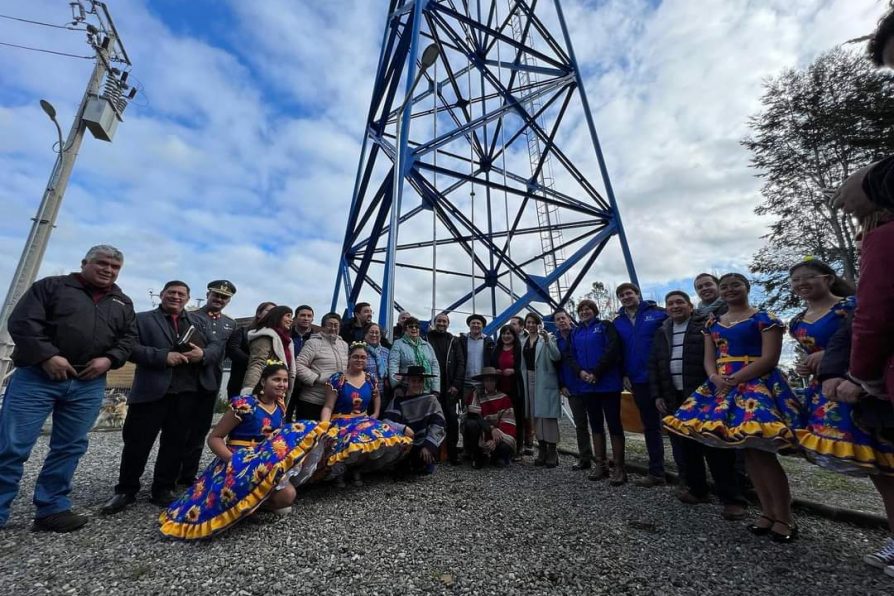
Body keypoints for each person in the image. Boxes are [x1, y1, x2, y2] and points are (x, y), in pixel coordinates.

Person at [0, 245, 137, 532]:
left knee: (70, 447)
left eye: (114, 267)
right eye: (102, 264)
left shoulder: (122, 303)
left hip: (87, 382)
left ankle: (51, 508)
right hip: (37, 378)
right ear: (85, 262)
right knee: (12, 446)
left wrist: (109, 359)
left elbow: (128, 339)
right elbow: (23, 323)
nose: (108, 270)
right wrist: (47, 355)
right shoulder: (51, 287)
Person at [663, 273, 802, 542]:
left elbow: (770, 358)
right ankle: (767, 513)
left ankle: (784, 517)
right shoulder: (713, 323)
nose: (729, 290)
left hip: (756, 387)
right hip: (723, 386)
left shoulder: (764, 318)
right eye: (725, 287)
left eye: (734, 285)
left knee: (764, 454)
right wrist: (715, 378)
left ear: (747, 287)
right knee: (749, 454)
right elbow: (709, 359)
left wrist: (736, 378)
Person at [158, 362, 335, 540]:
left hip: (263, 463)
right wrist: (235, 461)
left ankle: (252, 504)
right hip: (238, 462)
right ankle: (242, 506)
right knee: (282, 497)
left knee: (288, 496)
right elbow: (214, 438)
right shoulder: (245, 405)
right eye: (276, 380)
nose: (282, 384)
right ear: (263, 381)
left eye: (285, 380)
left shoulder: (280, 406)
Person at [102, 280, 226, 514]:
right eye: (172, 293)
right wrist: (162, 357)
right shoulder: (142, 319)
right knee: (137, 443)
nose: (176, 297)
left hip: (186, 392)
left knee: (176, 444)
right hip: (151, 392)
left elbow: (217, 346)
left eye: (181, 294)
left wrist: (203, 354)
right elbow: (129, 348)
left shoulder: (198, 321)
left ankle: (163, 488)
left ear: (188, 299)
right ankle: (126, 490)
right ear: (162, 294)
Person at [829, 156, 894, 574]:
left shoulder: (884, 238)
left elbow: (874, 316)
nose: (854, 226)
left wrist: (862, 374)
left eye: (854, 214)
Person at [649, 290, 746, 519]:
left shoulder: (705, 327)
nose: (675, 306)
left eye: (679, 302)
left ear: (690, 306)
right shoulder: (663, 331)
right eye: (670, 303)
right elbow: (654, 364)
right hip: (674, 395)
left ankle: (732, 499)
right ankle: (698, 490)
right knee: (686, 447)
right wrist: (658, 395)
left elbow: (720, 357)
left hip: (705, 395)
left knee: (716, 448)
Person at [319, 343, 412, 487]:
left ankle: (357, 469)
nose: (359, 360)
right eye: (356, 357)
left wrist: (375, 413)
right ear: (349, 358)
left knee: (380, 435)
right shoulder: (338, 379)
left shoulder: (370, 378)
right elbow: (328, 406)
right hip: (342, 420)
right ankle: (340, 472)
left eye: (363, 357)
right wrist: (324, 426)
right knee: (350, 440)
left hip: (364, 419)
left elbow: (376, 397)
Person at [178, 280, 237, 488]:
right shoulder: (191, 316)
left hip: (211, 382)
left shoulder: (230, 324)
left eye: (224, 297)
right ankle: (169, 475)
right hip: (187, 380)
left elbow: (228, 351)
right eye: (216, 295)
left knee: (199, 432)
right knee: (179, 430)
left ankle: (188, 476)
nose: (219, 300)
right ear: (208, 294)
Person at [613, 282, 668, 487]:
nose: (626, 297)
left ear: (638, 294)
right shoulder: (618, 322)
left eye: (629, 293)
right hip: (637, 379)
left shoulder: (659, 314)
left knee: (678, 425)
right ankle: (657, 472)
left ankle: (692, 477)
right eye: (622, 295)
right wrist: (623, 374)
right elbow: (617, 352)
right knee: (650, 426)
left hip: (664, 376)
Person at [567, 300, 625, 485]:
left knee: (614, 424)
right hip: (586, 385)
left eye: (588, 309)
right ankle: (600, 465)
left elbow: (612, 349)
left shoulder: (605, 326)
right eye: (581, 309)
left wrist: (596, 372)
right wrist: (581, 373)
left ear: (594, 311)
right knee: (596, 425)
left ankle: (619, 468)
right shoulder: (575, 332)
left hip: (607, 383)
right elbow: (571, 356)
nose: (584, 312)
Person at [383, 366, 446, 475]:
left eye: (420, 381)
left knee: (422, 461)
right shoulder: (398, 400)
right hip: (405, 442)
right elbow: (386, 421)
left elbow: (438, 424)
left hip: (424, 441)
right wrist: (403, 429)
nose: (417, 384)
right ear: (408, 381)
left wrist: (428, 445)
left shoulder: (431, 400)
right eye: (414, 381)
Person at [520, 314, 562, 468]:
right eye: (528, 322)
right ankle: (542, 448)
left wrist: (547, 341)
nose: (530, 325)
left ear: (539, 324)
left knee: (548, 417)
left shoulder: (548, 338)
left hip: (544, 381)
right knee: (535, 416)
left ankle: (552, 450)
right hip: (529, 380)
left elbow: (556, 357)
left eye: (533, 322)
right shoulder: (523, 341)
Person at [291, 313, 349, 421]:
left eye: (336, 325)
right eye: (330, 325)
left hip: (335, 400)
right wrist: (317, 378)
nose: (333, 328)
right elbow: (298, 365)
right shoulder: (313, 343)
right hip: (313, 399)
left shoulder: (344, 345)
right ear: (323, 327)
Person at [427, 312, 466, 464]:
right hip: (433, 388)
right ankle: (433, 452)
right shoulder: (426, 338)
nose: (442, 324)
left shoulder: (453, 340)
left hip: (450, 388)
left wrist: (456, 384)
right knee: (433, 420)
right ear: (434, 322)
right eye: (439, 321)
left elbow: (461, 363)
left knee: (451, 420)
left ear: (448, 324)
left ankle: (452, 453)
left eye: (445, 321)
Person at [462, 367, 516, 468]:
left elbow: (508, 423)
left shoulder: (504, 398)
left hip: (498, 436)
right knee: (471, 424)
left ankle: (496, 457)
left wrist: (494, 440)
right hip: (481, 435)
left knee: (507, 445)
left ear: (496, 382)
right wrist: (491, 430)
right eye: (486, 380)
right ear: (483, 382)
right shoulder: (476, 395)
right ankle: (477, 455)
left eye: (492, 380)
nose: (489, 383)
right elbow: (474, 416)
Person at [240, 306, 297, 397]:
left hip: (279, 389)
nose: (291, 320)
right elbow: (257, 364)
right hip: (263, 389)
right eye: (288, 316)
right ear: (277, 316)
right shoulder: (265, 336)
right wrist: (248, 391)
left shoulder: (287, 341)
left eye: (291, 317)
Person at [489, 325, 527, 458]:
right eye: (504, 333)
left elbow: (522, 367)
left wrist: (514, 371)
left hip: (514, 388)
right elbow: (492, 365)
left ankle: (518, 447)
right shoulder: (496, 349)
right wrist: (496, 371)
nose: (506, 336)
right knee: (500, 418)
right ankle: (501, 445)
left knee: (517, 417)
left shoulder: (518, 349)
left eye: (509, 333)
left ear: (514, 335)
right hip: (500, 389)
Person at [226, 301, 275, 399]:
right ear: (259, 313)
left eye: (274, 312)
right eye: (268, 311)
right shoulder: (243, 331)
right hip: (240, 380)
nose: (271, 314)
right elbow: (233, 350)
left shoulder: (276, 337)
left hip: (266, 384)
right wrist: (256, 362)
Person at [388, 317, 441, 396]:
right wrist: (396, 386)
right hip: (406, 389)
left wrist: (435, 389)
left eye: (416, 327)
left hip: (427, 390)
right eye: (411, 326)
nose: (414, 328)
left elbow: (435, 366)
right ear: (405, 329)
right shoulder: (398, 344)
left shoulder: (427, 345)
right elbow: (393, 365)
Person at [459, 314, 495, 404]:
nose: (476, 325)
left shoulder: (489, 342)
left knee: (484, 410)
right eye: (473, 323)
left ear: (482, 326)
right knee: (466, 410)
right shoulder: (461, 340)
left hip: (482, 384)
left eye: (478, 323)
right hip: (466, 384)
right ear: (469, 325)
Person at [363, 323, 390, 397]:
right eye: (371, 332)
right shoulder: (360, 350)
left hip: (383, 394)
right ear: (365, 335)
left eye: (377, 333)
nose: (374, 335)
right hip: (364, 393)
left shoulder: (386, 352)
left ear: (381, 336)